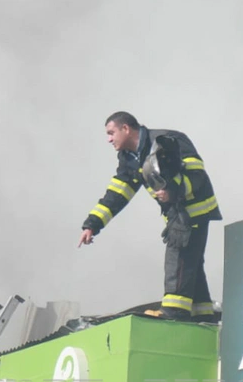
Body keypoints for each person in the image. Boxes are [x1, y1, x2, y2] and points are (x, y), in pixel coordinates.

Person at [79, 111, 222, 321]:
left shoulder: (169, 140)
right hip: (176, 215)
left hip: (194, 212)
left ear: (126, 128)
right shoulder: (129, 158)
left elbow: (197, 174)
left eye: (111, 133)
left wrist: (173, 191)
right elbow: (118, 193)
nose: (109, 139)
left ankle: (174, 312)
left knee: (178, 258)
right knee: (191, 267)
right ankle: (203, 316)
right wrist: (93, 224)